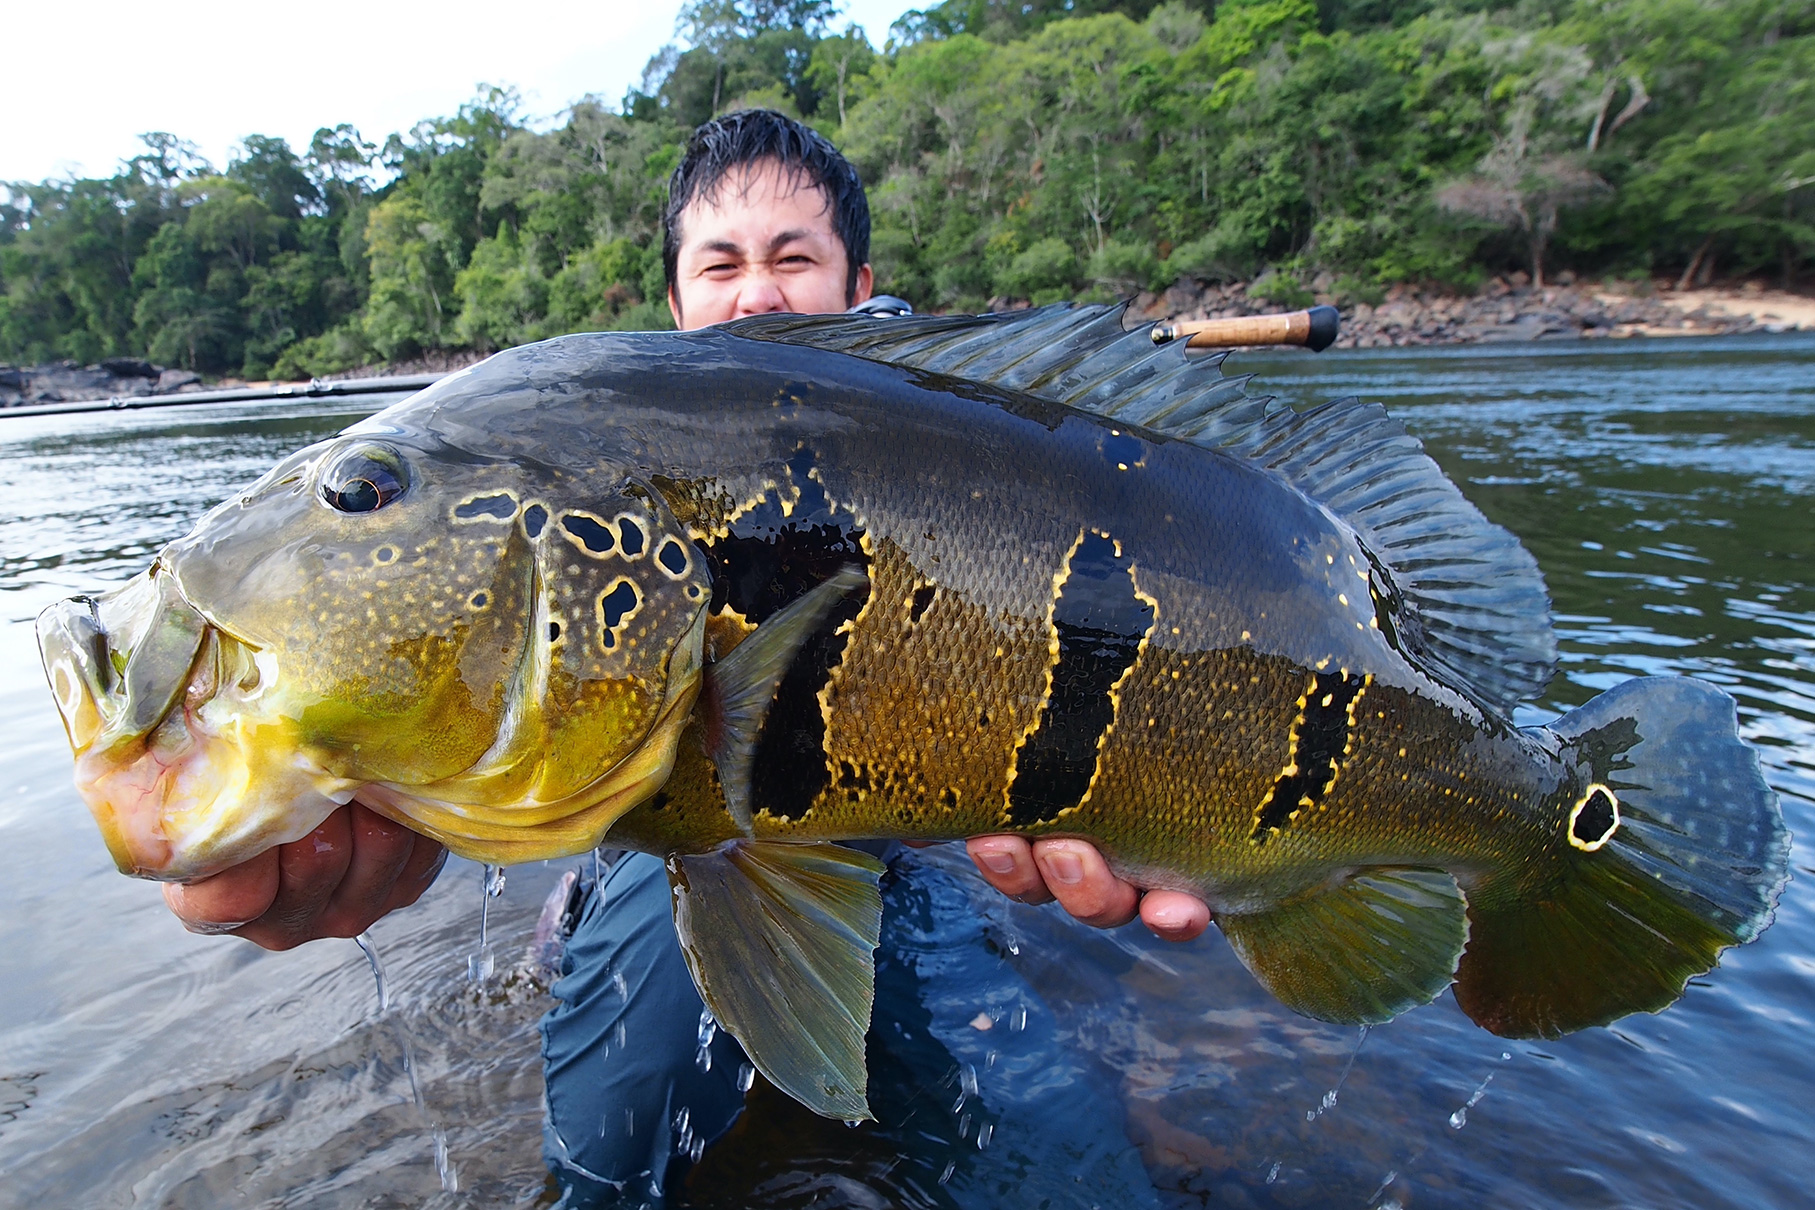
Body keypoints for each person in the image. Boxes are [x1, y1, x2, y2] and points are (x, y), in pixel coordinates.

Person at [162, 109, 1211, 1202]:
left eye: (793, 257)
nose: (756, 292)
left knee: (1053, 1155)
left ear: (862, 290)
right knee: (615, 1151)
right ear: (675, 307)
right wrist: (297, 786)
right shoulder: (574, 456)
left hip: (935, 856)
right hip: (683, 847)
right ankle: (595, 934)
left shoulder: (979, 441)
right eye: (721, 263)